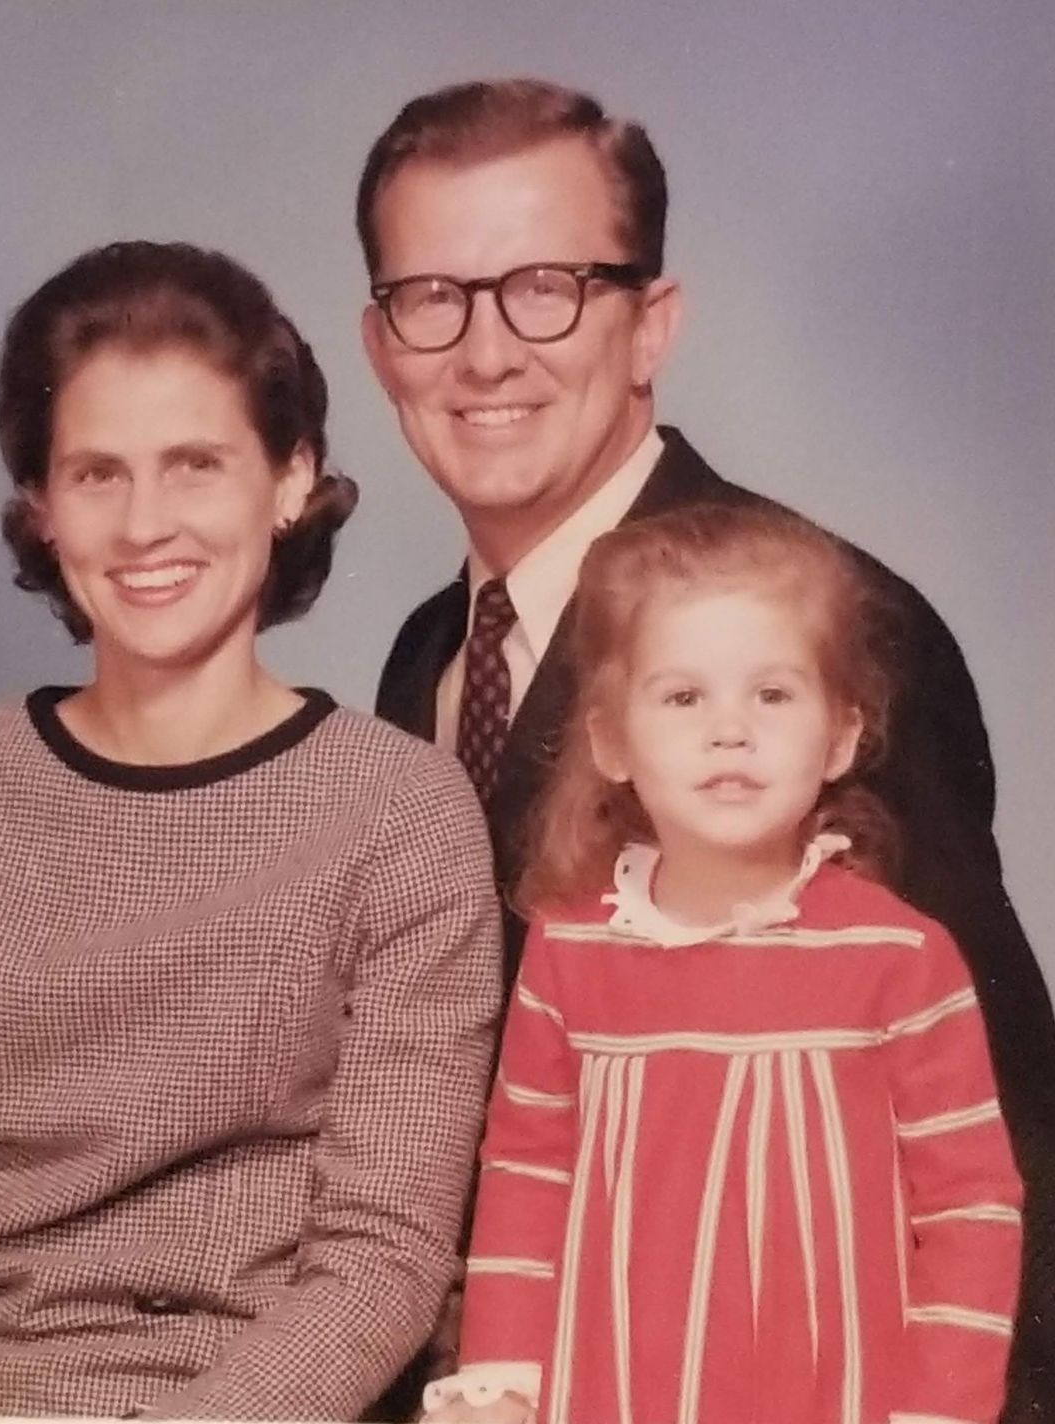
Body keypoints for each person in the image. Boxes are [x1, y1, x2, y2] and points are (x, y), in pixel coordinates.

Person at [356, 77, 1055, 1412]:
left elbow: (995, 1143)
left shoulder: (829, 628)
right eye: (432, 296)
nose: (485, 353)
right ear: (381, 343)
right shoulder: (427, 652)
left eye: (547, 287)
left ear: (651, 326)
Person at [0, 240, 504, 1419]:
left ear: (289, 478)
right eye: (96, 474)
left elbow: (384, 1252)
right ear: (42, 507)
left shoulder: (401, 812)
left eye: (195, 465)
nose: (144, 524)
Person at [431, 504, 1022, 1423]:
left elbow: (970, 1207)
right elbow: (526, 1176)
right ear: (611, 740)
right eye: (683, 697)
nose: (730, 731)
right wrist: (500, 1382)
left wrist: (940, 1410)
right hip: (608, 1395)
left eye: (773, 695)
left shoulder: (901, 960)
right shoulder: (570, 951)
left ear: (841, 735)